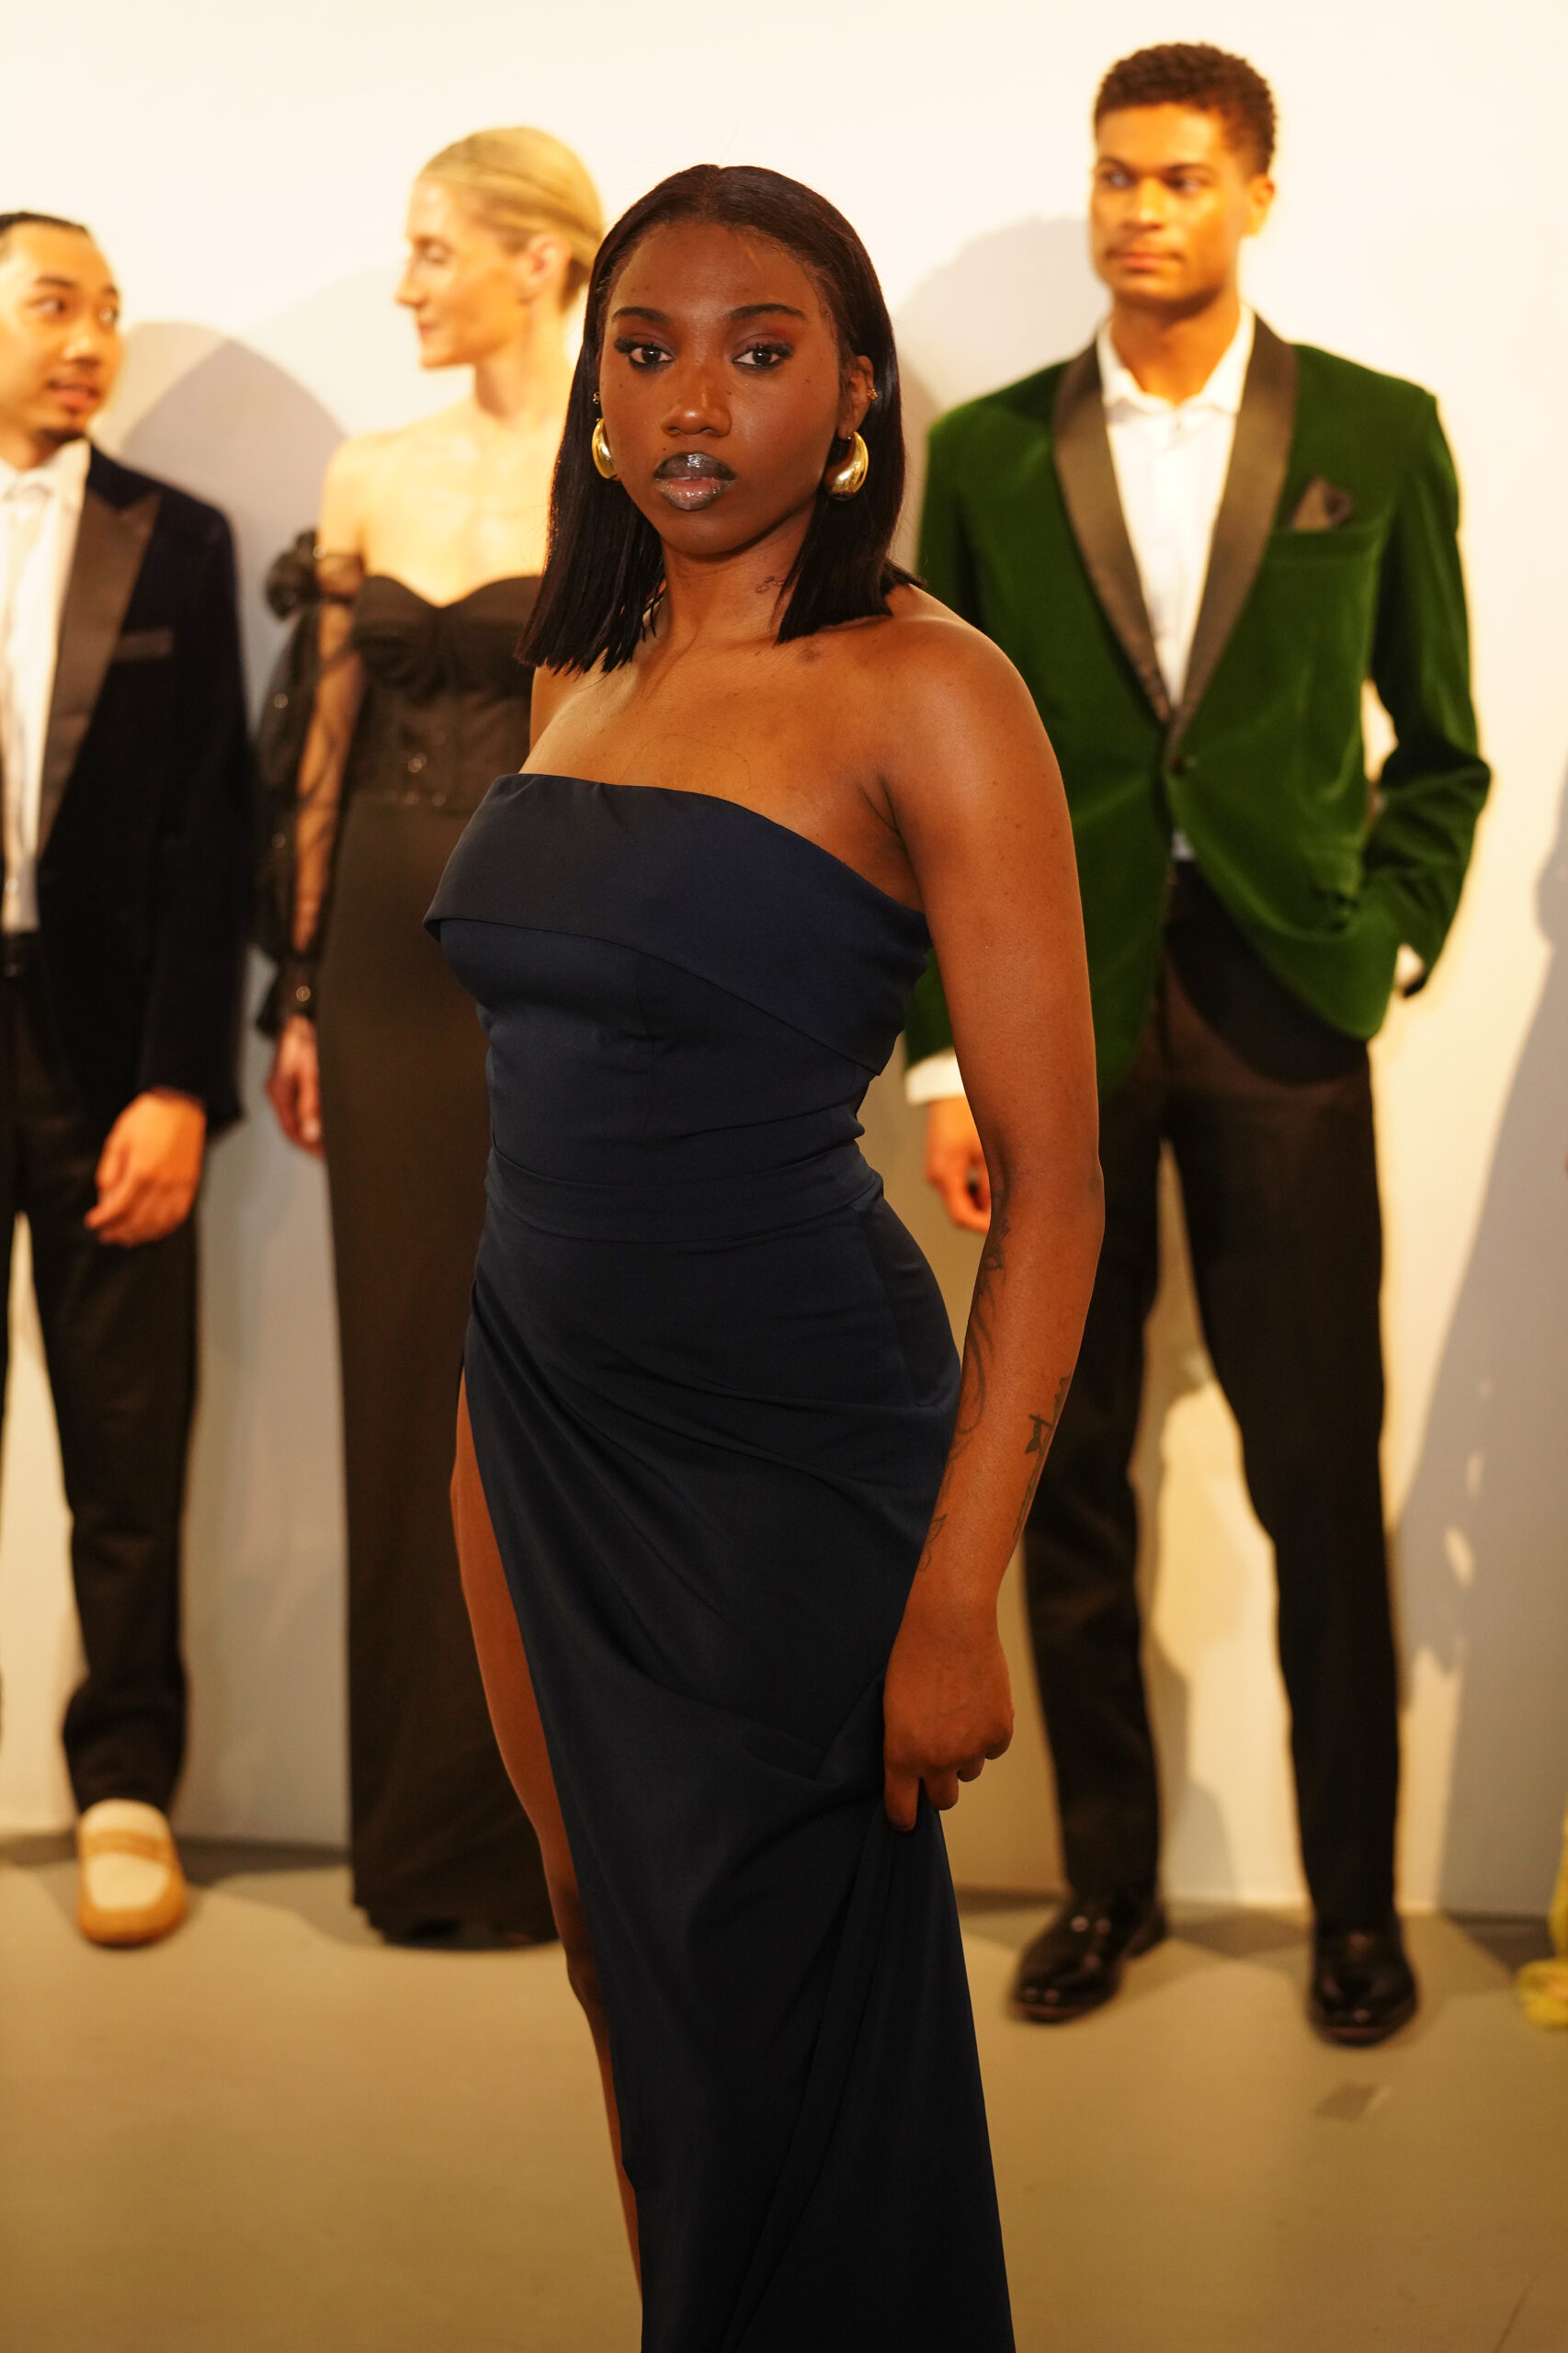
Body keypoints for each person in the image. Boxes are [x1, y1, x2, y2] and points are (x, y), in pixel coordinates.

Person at [427, 165, 1101, 2347]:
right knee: (621, 1965)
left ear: (859, 391)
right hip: (535, 1409)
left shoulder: (934, 689)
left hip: (785, 1449)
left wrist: (956, 1590)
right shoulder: (580, 656)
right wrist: (492, 1411)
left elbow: (1056, 1187)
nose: (691, 399)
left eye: (758, 347)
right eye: (644, 349)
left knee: (768, 2010)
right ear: (596, 389)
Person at [910, 43, 1489, 2045]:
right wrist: (938, 1055)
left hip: (1284, 1010)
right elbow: (927, 776)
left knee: (1315, 1470)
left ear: (1254, 196)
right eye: (1113, 175)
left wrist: (1382, 942)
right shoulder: (992, 451)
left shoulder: (1377, 433)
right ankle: (1107, 1887)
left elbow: (1443, 745)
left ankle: (1355, 1911)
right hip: (1049, 1018)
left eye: (1175, 178)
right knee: (1062, 1463)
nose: (1136, 210)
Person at [264, 131, 602, 1944]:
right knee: (404, 1382)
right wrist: (300, 988)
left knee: (566, 1383)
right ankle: (420, 1837)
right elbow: (317, 754)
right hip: (386, 981)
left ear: (539, 260)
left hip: (568, 966)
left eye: (429, 251)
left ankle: (575, 1830)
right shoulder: (369, 470)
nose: (402, 286)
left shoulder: (623, 479)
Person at [0, 211, 249, 1945]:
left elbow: (211, 831)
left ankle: (126, 1784)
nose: (91, 339)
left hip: (105, 1056)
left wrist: (178, 1085)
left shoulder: (177, 537)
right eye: (51, 305)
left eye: (108, 310)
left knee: (130, 1444)